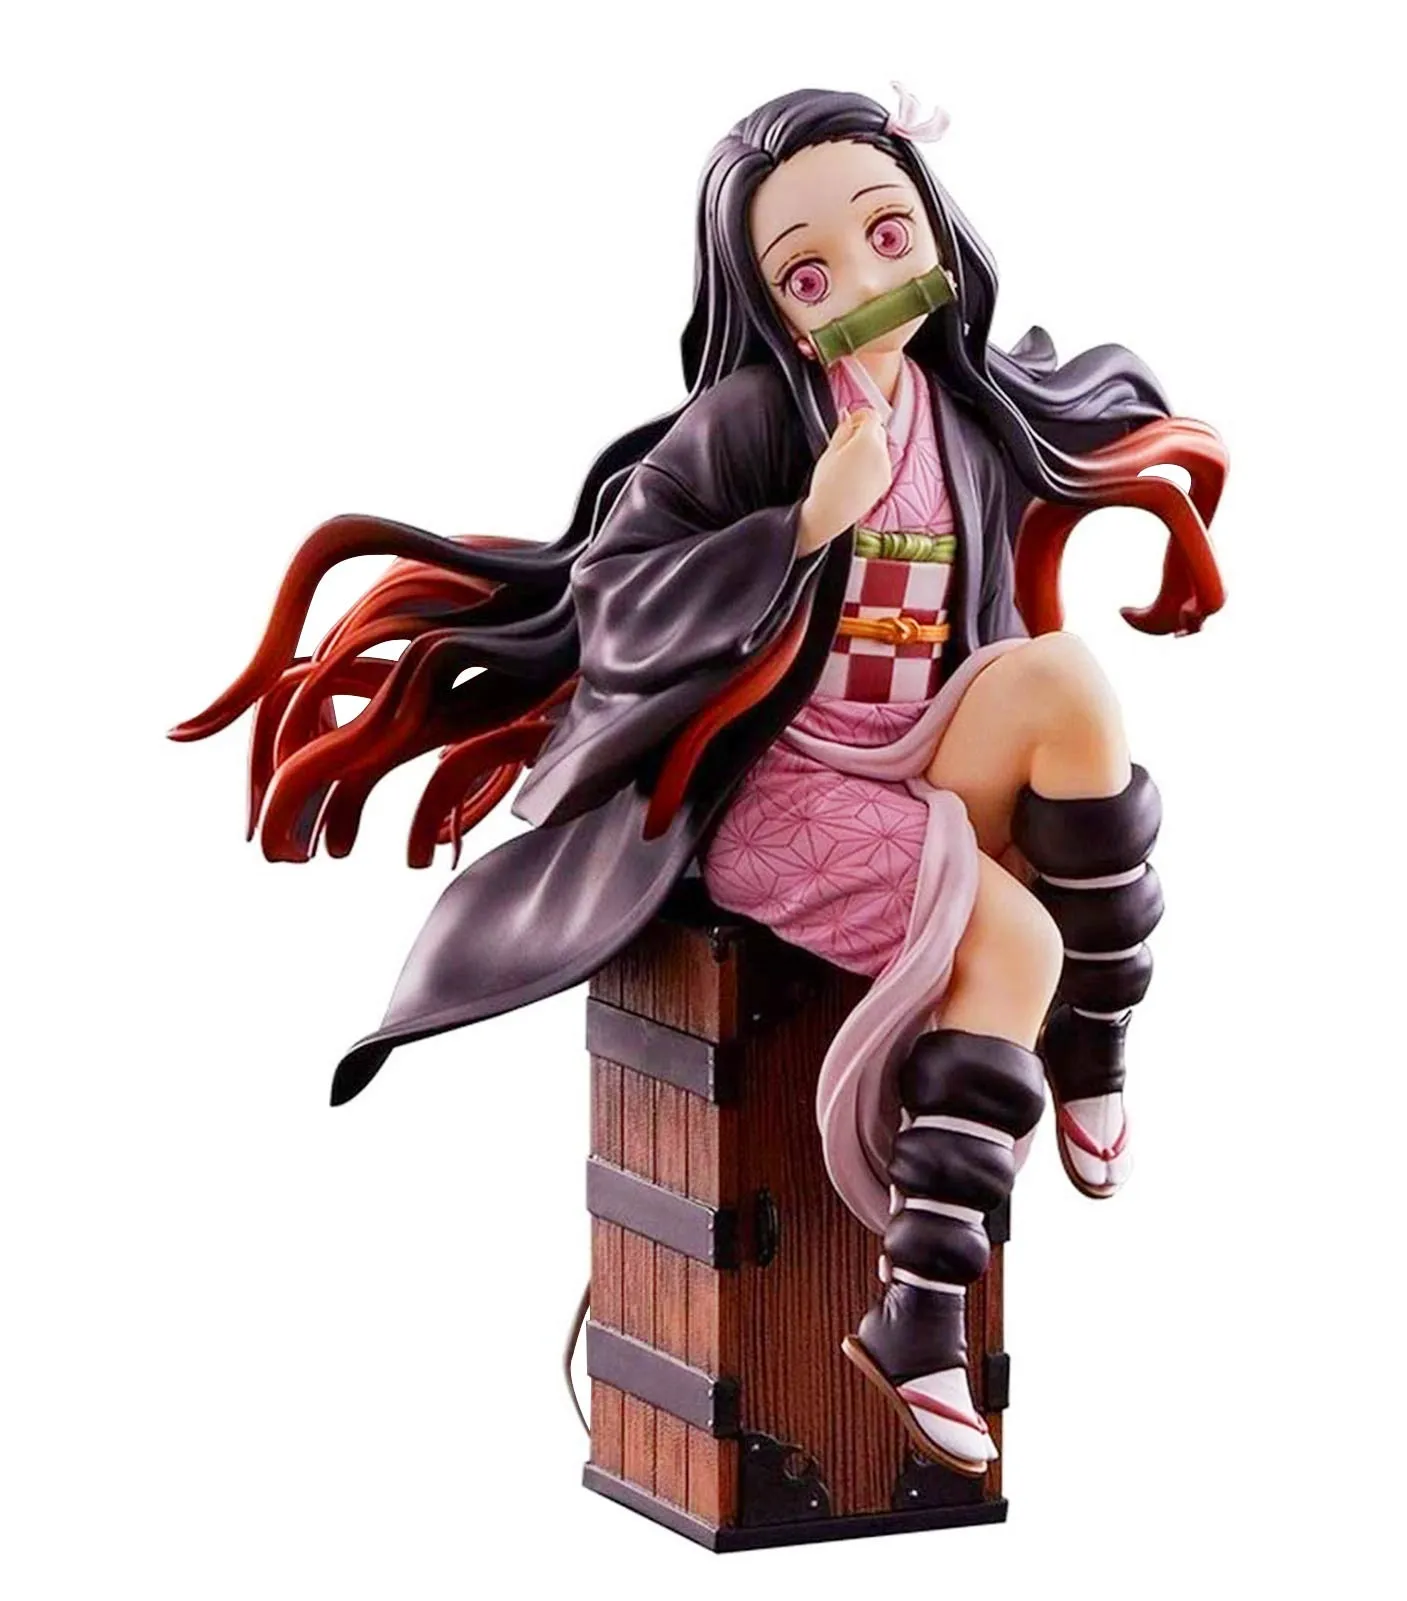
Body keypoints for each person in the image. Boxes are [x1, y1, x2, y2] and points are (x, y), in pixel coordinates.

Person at [171, 85, 1226, 1477]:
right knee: (1015, 940)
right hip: (773, 780)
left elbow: (996, 634)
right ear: (772, 303)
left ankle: (1096, 1038)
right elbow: (613, 601)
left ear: (935, 232)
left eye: (887, 235)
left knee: (1072, 683)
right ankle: (919, 1312)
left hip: (912, 744)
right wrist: (801, 526)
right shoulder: (746, 424)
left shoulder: (964, 420)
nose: (860, 281)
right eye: (809, 272)